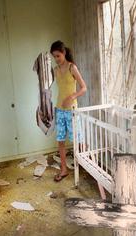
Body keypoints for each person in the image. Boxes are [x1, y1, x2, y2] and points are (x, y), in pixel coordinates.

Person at [49, 40, 86, 182]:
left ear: (64, 53)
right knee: (60, 141)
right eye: (54, 57)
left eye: (58, 56)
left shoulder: (72, 68)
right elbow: (47, 84)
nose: (56, 59)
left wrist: (72, 96)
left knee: (78, 140)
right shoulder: (56, 70)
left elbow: (84, 88)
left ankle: (88, 165)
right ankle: (64, 170)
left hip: (71, 110)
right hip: (59, 109)